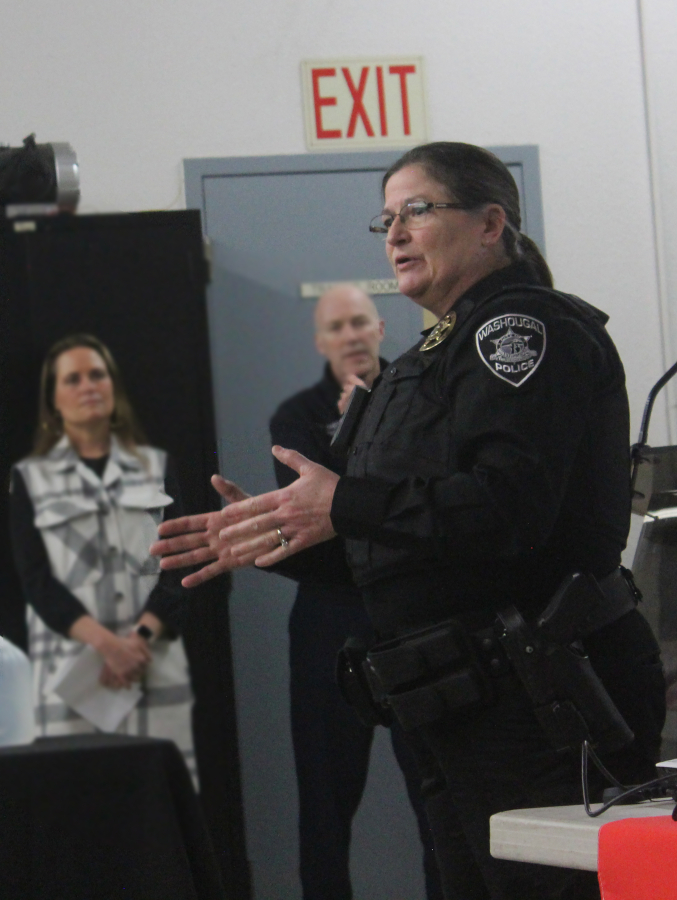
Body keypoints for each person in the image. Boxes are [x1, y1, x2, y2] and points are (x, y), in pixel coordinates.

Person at [151, 142, 666, 900]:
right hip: (456, 699)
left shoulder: (517, 333)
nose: (393, 233)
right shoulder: (424, 361)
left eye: (416, 211)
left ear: (490, 223)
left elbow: (503, 512)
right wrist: (281, 538)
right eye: (385, 218)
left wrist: (343, 503)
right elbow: (395, 546)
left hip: (543, 696)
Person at [269, 283, 442, 900]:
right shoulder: (295, 419)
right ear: (322, 342)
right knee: (324, 804)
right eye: (337, 327)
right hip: (329, 628)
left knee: (438, 801)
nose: (350, 335)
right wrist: (351, 431)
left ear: (379, 329)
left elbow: (426, 510)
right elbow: (313, 534)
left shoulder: (421, 392)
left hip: (414, 624)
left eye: (360, 323)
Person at [10, 334, 195, 776]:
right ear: (53, 399)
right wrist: (108, 646)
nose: (88, 386)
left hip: (152, 665)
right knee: (77, 811)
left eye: (97, 375)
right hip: (71, 676)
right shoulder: (30, 480)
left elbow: (179, 563)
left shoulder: (156, 466)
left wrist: (136, 644)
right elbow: (37, 582)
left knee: (159, 811)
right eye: (72, 379)